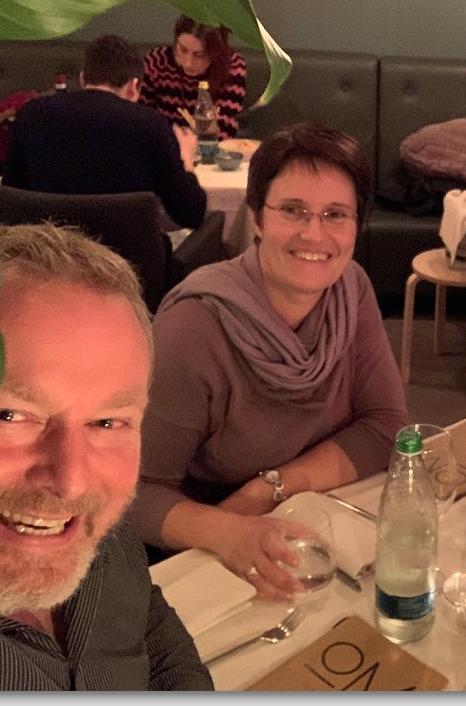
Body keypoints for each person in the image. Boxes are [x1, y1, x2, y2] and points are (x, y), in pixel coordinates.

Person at [127, 122, 408, 600]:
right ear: (256, 218)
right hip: (207, 557)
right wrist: (227, 529)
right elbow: (134, 494)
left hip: (311, 525)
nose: (314, 233)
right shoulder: (194, 327)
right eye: (293, 210)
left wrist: (266, 491)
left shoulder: (351, 290)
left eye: (335, 214)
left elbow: (384, 426)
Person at [0, 223, 212, 690]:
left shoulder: (92, 526)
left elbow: (149, 629)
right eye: (8, 414)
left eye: (107, 423)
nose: (71, 480)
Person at [3, 34, 207, 231]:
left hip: (52, 251)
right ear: (134, 86)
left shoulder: (30, 115)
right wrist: (186, 161)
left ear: (83, 78)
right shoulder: (151, 125)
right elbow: (190, 214)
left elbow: (11, 199)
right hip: (130, 254)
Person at [139, 14, 248, 141]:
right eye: (182, 49)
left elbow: (226, 125)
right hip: (163, 143)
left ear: (215, 53)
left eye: (199, 55)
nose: (188, 63)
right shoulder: (157, 61)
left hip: (212, 146)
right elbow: (143, 116)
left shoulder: (232, 64)